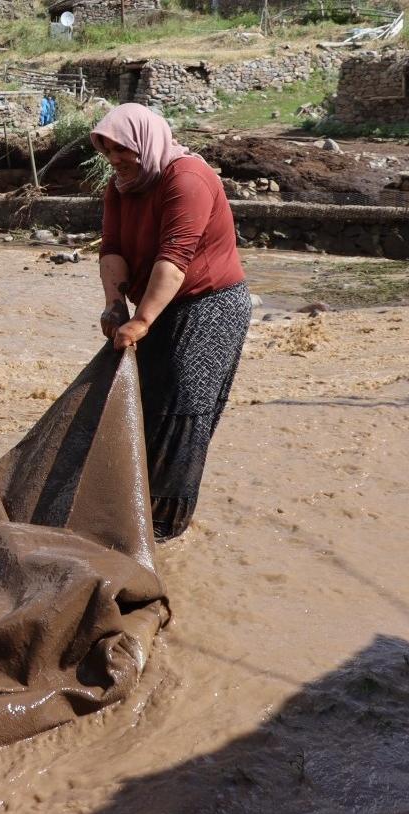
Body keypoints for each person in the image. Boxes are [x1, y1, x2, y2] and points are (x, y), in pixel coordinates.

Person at [92, 104, 250, 541]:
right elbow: (112, 248)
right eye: (109, 153)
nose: (117, 161)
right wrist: (113, 307)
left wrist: (141, 321)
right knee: (144, 401)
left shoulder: (187, 179)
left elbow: (175, 258)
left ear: (147, 140)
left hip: (209, 306)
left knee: (183, 408)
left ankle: (163, 528)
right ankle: (130, 507)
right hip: (157, 303)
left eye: (124, 151)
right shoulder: (122, 186)